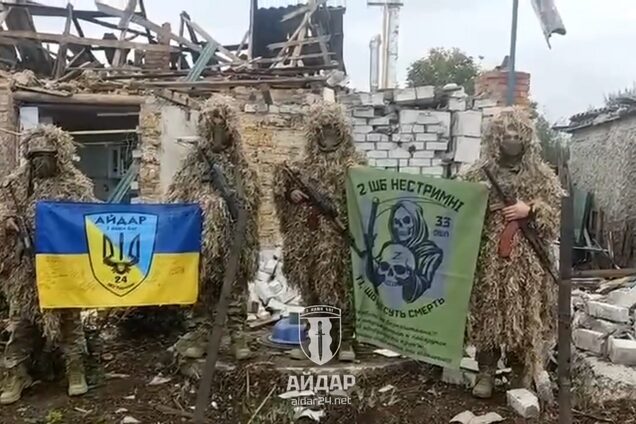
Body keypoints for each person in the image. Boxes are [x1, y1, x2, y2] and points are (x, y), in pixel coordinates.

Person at [461, 107, 562, 398]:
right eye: (506, 136)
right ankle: (486, 372)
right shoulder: (478, 172)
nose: (512, 141)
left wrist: (529, 209)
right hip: (489, 257)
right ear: (496, 138)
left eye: (517, 136)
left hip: (528, 259)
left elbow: (555, 214)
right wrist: (478, 199)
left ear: (527, 139)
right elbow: (459, 207)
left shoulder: (541, 175)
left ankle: (519, 374)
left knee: (525, 314)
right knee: (489, 312)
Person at [0, 126, 95, 404]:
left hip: (62, 266)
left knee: (69, 320)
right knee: (22, 324)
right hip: (25, 270)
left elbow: (88, 216)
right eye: (35, 157)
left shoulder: (75, 184)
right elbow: (3, 208)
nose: (41, 162)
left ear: (59, 156)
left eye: (47, 156)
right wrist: (7, 221)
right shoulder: (15, 185)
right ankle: (16, 374)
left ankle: (75, 370)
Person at [167, 95, 260, 361]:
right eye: (213, 127)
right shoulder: (195, 162)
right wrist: (205, 199)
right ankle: (201, 335)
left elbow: (252, 198)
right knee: (204, 288)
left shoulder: (241, 165)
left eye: (223, 127)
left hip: (233, 238)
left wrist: (235, 203)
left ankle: (238, 336)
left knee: (236, 289)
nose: (218, 133)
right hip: (203, 239)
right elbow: (179, 196)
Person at [273, 101, 367, 362]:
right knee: (313, 292)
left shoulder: (354, 164)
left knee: (342, 290)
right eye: (322, 131)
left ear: (341, 132)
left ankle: (345, 340)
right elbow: (283, 192)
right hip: (309, 240)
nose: (327, 137)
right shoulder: (302, 166)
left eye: (332, 131)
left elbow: (367, 197)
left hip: (340, 240)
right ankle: (317, 342)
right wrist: (291, 195)